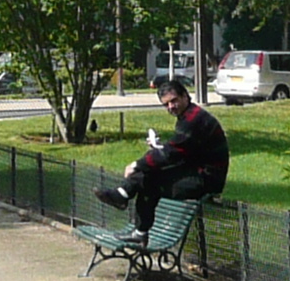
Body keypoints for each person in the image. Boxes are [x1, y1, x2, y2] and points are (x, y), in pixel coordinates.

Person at [96, 79, 229, 238]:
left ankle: (127, 207)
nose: (171, 107)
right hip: (195, 171)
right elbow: (180, 150)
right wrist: (156, 150)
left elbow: (172, 153)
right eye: (166, 104)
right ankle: (126, 204)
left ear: (185, 96)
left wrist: (136, 165)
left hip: (206, 180)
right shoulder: (190, 116)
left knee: (148, 180)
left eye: (174, 101)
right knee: (148, 174)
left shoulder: (193, 120)